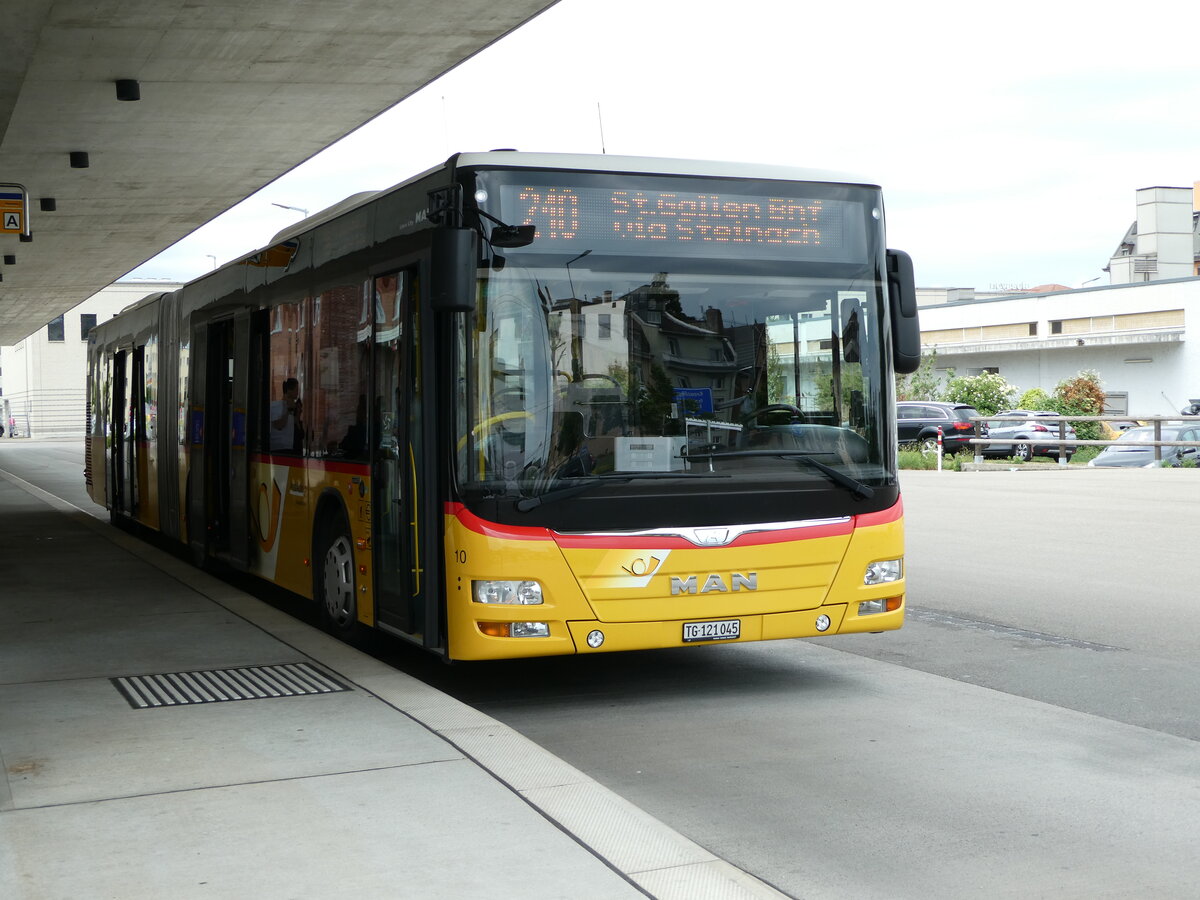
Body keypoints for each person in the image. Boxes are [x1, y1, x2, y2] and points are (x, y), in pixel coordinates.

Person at [270, 378, 303, 451]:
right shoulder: (276, 406)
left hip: (292, 447)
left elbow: (297, 428)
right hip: (281, 449)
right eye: (296, 390)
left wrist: (298, 413)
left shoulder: (293, 409)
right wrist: (288, 410)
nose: (297, 393)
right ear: (289, 391)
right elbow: (279, 425)